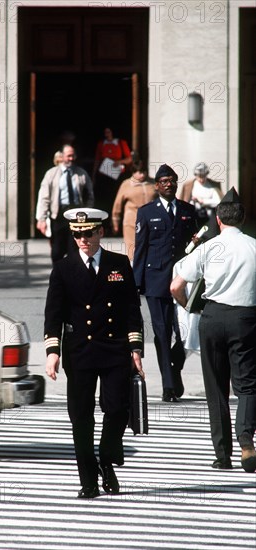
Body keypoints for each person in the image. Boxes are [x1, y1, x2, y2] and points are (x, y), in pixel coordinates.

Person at [44, 207, 144, 498]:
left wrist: (135, 348)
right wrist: (53, 351)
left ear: (100, 232)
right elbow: (54, 315)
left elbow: (131, 311)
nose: (82, 240)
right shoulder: (63, 269)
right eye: (77, 235)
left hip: (114, 349)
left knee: (117, 410)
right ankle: (88, 479)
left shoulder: (119, 263)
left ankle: (107, 458)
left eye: (88, 233)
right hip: (80, 352)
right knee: (82, 417)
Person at [170, 188, 256, 473]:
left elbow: (176, 286)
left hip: (213, 316)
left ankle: (222, 455)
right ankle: (246, 437)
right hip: (245, 318)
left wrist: (191, 309)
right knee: (247, 385)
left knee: (216, 388)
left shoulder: (207, 247)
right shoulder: (254, 247)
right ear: (242, 219)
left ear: (219, 221)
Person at [133, 164, 198, 402]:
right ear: (157, 186)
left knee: (185, 333)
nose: (168, 184)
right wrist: (136, 283)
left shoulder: (188, 210)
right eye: (164, 181)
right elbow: (140, 249)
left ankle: (174, 367)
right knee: (161, 333)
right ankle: (169, 386)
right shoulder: (146, 212)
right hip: (156, 282)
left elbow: (196, 247)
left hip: (183, 282)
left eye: (172, 180)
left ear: (176, 183)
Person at [36, 144, 94, 263]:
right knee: (57, 250)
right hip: (58, 215)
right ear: (62, 156)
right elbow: (44, 197)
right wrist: (41, 219)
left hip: (76, 216)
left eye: (73, 156)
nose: (71, 158)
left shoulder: (81, 173)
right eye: (68, 156)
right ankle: (59, 275)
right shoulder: (51, 174)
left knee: (74, 249)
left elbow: (89, 194)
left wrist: (87, 211)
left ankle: (72, 277)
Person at [111, 161, 157, 261]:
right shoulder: (126, 184)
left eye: (144, 172)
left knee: (150, 247)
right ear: (133, 172)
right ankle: (134, 270)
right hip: (131, 221)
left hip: (151, 220)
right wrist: (115, 222)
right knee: (134, 249)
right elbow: (118, 204)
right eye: (139, 172)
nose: (142, 175)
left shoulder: (153, 183)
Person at [92, 127, 132, 228]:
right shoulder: (101, 144)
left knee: (117, 198)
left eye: (108, 132)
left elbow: (129, 159)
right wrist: (94, 175)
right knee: (105, 199)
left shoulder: (121, 142)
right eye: (105, 132)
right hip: (104, 176)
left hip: (118, 175)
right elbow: (97, 160)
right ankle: (105, 225)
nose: (107, 134)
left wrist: (119, 162)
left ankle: (116, 225)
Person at [178, 162, 223, 229]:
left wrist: (203, 201)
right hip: (193, 217)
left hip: (210, 217)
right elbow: (183, 202)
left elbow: (218, 202)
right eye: (199, 176)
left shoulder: (213, 185)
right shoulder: (188, 185)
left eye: (204, 176)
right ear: (195, 175)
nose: (201, 179)